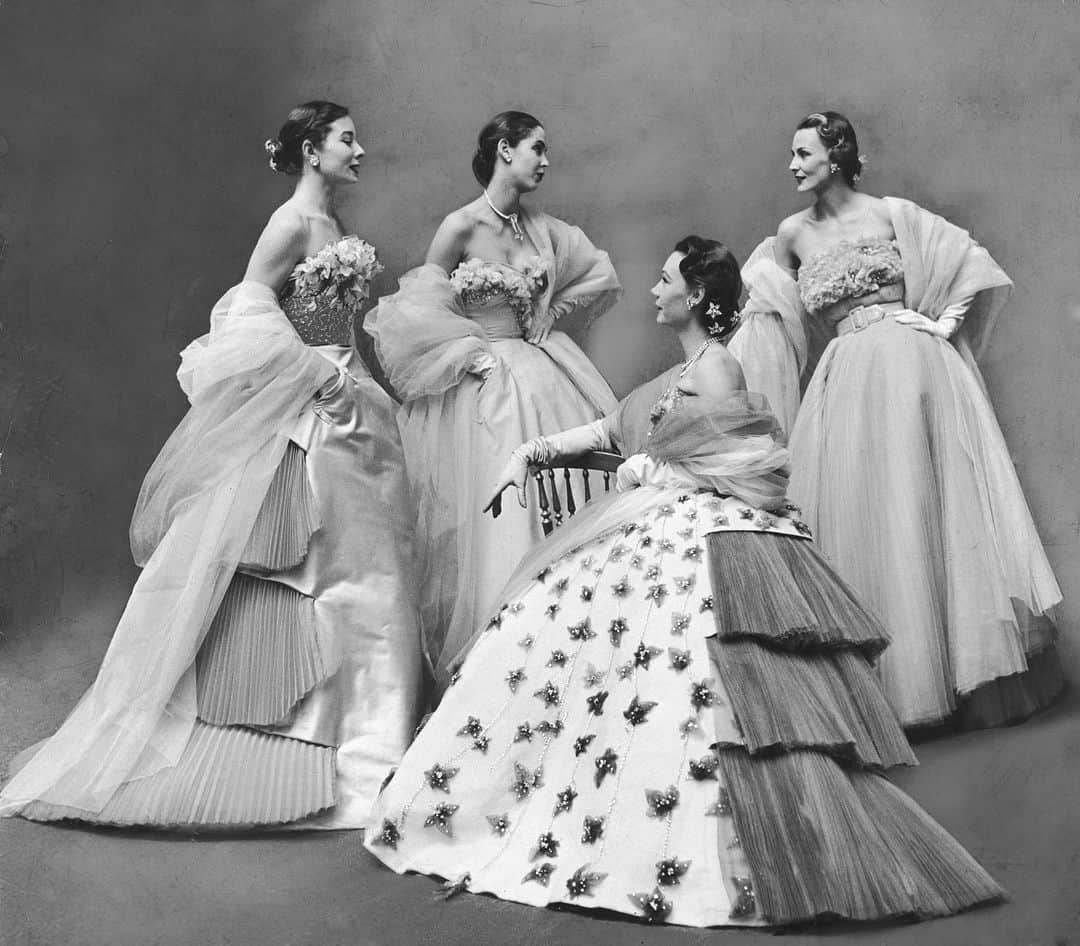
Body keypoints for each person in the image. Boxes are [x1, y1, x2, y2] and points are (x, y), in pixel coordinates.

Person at [362, 237, 1002, 928]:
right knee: (539, 629)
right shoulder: (680, 371)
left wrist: (655, 474)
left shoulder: (720, 367)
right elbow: (608, 429)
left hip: (699, 534)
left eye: (666, 279)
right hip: (650, 516)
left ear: (696, 295)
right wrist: (531, 453)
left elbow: (747, 459)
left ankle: (687, 827)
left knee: (678, 665)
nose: (655, 291)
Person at [0, 101, 421, 829]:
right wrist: (313, 374)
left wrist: (346, 378)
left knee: (368, 563)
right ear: (313, 150)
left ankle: (371, 728)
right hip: (314, 407)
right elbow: (246, 314)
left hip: (350, 406)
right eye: (348, 139)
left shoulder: (335, 229)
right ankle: (298, 733)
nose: (361, 149)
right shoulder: (290, 223)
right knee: (312, 569)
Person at [742, 110, 1063, 729]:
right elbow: (769, 317)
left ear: (836, 156)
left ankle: (952, 676)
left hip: (912, 371)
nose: (792, 165)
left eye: (803, 153)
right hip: (845, 385)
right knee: (869, 512)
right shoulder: (789, 236)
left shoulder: (889, 213)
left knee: (924, 504)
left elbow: (967, 259)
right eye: (791, 153)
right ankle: (879, 689)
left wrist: (941, 323)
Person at [365, 110, 621, 695]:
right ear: (505, 150)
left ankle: (563, 650)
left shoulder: (543, 229)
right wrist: (468, 351)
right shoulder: (459, 226)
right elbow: (415, 311)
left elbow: (595, 273)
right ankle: (503, 668)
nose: (546, 160)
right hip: (484, 384)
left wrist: (549, 313)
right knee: (500, 517)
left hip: (543, 372)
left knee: (564, 499)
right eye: (537, 148)